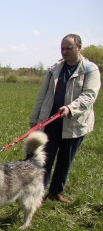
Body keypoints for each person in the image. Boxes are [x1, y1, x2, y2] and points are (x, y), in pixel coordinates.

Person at [30, 34, 100, 203]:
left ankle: (55, 192)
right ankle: (37, 195)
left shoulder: (90, 69)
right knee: (44, 159)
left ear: (79, 47)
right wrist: (35, 119)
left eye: (69, 48)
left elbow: (89, 95)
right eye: (62, 48)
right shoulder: (55, 69)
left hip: (74, 124)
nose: (64, 51)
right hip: (51, 122)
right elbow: (43, 95)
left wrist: (71, 108)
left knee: (65, 160)